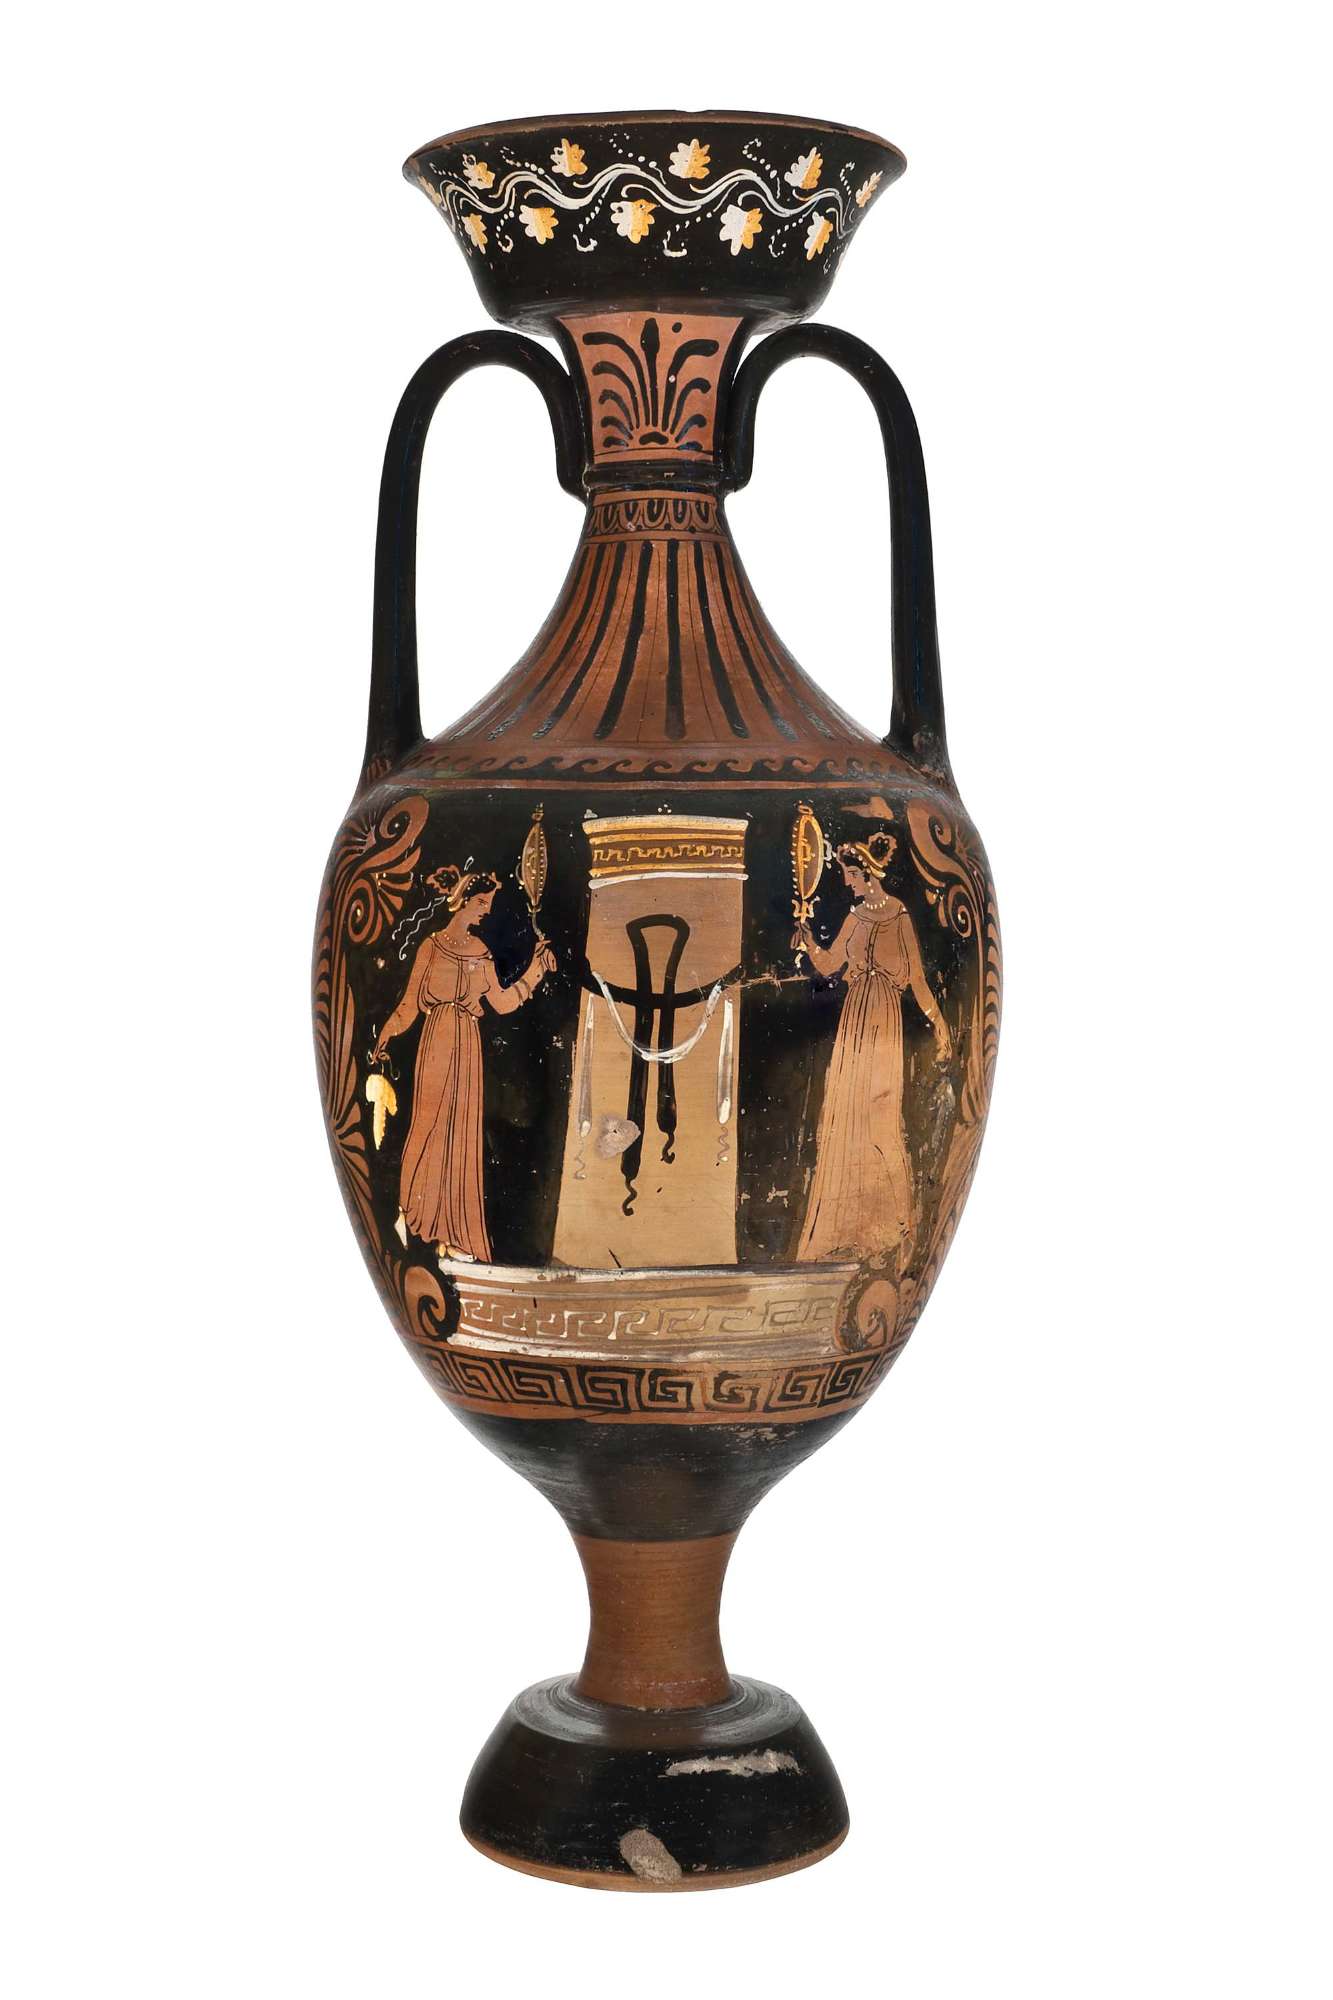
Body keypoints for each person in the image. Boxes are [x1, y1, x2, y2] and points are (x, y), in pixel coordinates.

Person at [372, 866, 555, 1262]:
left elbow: (502, 1002)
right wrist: (386, 1032)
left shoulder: (480, 952)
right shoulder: (432, 947)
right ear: (464, 900)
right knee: (427, 1126)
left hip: (467, 1046)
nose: (486, 911)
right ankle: (408, 1212)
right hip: (437, 1042)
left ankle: (450, 1232)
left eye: (489, 904)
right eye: (482, 903)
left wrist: (536, 968)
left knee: (460, 1134)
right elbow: (409, 1004)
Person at [795, 833, 951, 1265]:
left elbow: (917, 979)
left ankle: (891, 1226)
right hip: (856, 1016)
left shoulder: (898, 915)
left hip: (884, 1019)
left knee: (879, 1115)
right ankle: (844, 1230)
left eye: (850, 874)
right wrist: (807, 940)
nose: (846, 883)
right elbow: (830, 964)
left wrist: (939, 1024)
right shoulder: (855, 916)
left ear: (868, 874)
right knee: (847, 1112)